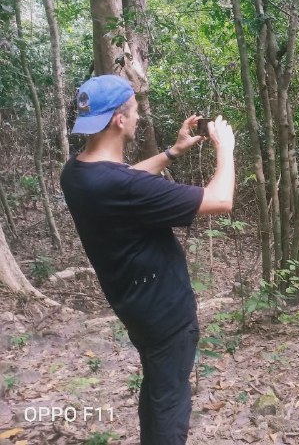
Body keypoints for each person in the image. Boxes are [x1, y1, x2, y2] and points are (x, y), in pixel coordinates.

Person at [60, 75, 236, 444]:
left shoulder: (76, 173)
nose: (138, 118)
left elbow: (123, 177)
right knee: (171, 401)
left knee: (157, 388)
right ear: (119, 120)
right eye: (135, 111)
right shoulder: (126, 187)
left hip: (134, 306)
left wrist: (174, 151)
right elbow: (221, 200)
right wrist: (226, 148)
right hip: (166, 314)